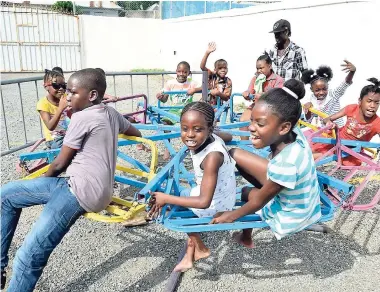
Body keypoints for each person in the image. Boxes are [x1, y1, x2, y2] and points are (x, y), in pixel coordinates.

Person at [0, 68, 141, 292]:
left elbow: (59, 164)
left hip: (79, 191)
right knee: (6, 195)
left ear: (92, 95)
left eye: (73, 93)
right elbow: (136, 132)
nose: (67, 97)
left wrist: (42, 185)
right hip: (89, 187)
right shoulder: (111, 113)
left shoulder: (82, 117)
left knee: (28, 256)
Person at [210, 80, 322, 249]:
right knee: (235, 155)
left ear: (284, 127)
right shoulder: (294, 133)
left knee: (247, 193)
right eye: (252, 121)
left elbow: (259, 202)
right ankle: (245, 237)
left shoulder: (286, 163)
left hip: (291, 215)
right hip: (301, 201)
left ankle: (246, 238)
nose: (251, 128)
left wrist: (231, 216)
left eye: (260, 124)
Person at [149, 101, 235, 272]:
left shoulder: (212, 158)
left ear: (210, 129)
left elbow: (203, 201)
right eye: (184, 128)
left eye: (197, 129)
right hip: (221, 195)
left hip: (214, 205)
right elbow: (229, 136)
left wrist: (165, 198)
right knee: (175, 193)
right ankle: (191, 255)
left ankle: (200, 248)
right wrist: (213, 132)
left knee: (168, 203)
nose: (189, 135)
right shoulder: (213, 137)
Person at [312, 78, 380, 164]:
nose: (372, 106)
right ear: (360, 101)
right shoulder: (352, 108)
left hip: (352, 152)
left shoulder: (377, 122)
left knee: (345, 164)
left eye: (377, 102)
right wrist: (329, 123)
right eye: (369, 101)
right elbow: (327, 119)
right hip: (337, 142)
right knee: (317, 153)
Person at [156, 61, 201, 160]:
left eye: (185, 72)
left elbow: (204, 87)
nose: (181, 74)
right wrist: (160, 97)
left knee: (193, 127)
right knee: (165, 125)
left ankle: (194, 148)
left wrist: (195, 90)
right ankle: (168, 149)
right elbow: (165, 98)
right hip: (174, 110)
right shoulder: (170, 83)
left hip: (187, 110)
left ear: (188, 73)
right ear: (176, 71)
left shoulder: (191, 83)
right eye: (179, 71)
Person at [240, 53, 284, 140]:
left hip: (272, 108)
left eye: (261, 68)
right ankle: (244, 146)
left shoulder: (278, 80)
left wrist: (264, 95)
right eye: (257, 68)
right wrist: (246, 94)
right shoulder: (255, 78)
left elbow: (278, 96)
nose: (259, 70)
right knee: (243, 121)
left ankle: (265, 143)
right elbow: (250, 91)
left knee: (263, 124)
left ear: (269, 66)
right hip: (257, 105)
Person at [302, 60, 356, 128]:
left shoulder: (333, 94)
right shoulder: (312, 99)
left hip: (337, 130)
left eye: (324, 89)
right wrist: (308, 110)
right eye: (317, 90)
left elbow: (345, 84)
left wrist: (352, 72)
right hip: (323, 130)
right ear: (311, 90)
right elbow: (308, 119)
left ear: (328, 87)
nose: (321, 92)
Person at [37, 69, 69, 149]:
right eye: (56, 85)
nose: (61, 88)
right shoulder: (43, 103)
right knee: (61, 146)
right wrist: (60, 108)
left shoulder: (66, 96)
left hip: (69, 134)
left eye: (63, 85)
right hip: (55, 139)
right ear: (46, 86)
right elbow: (50, 126)